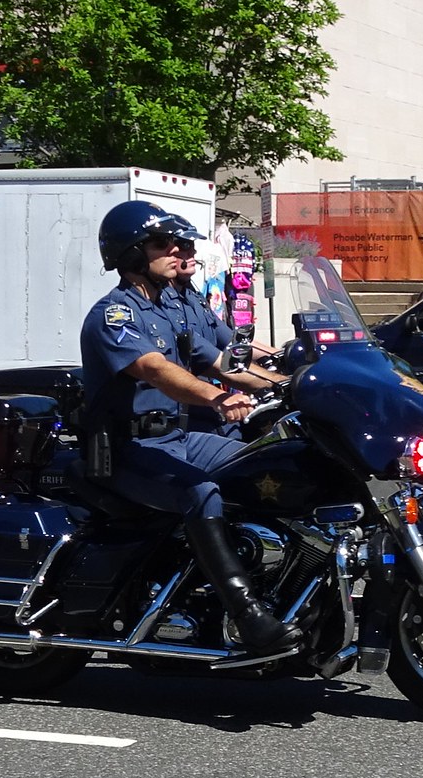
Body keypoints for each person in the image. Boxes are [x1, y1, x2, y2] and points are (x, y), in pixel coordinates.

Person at [78, 199, 302, 654]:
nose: (179, 250)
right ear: (131, 253)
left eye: (179, 243)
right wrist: (217, 398)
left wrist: (296, 384)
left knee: (266, 464)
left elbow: (224, 361)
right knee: (201, 493)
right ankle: (247, 614)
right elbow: (155, 369)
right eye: (163, 243)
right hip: (128, 448)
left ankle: (281, 584)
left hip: (177, 438)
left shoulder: (167, 311)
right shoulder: (114, 314)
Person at [163, 216, 282, 434]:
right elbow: (218, 363)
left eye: (192, 246)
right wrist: (275, 382)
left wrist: (281, 355)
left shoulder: (193, 297)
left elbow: (234, 342)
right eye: (185, 246)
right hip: (190, 411)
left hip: (210, 408)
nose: (193, 252)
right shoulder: (162, 304)